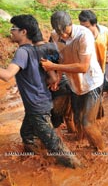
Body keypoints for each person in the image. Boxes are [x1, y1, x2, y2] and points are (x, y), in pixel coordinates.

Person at [0, 14, 80, 168]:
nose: (11, 32)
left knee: (56, 147)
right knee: (27, 135)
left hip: (37, 107)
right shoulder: (36, 50)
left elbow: (7, 75)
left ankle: (78, 170)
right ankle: (38, 161)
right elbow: (51, 78)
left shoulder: (22, 52)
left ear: (24, 32)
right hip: (41, 103)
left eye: (13, 29)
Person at [41, 11, 105, 151]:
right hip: (74, 83)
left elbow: (83, 67)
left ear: (71, 24)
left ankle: (101, 151)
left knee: (88, 123)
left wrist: (53, 66)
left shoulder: (84, 35)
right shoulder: (55, 34)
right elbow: (63, 57)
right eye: (59, 32)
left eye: (65, 31)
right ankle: (81, 143)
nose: (63, 35)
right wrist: (57, 76)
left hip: (92, 82)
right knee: (77, 120)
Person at [32, 29, 75, 132]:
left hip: (57, 87)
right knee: (68, 116)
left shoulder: (38, 51)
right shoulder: (62, 49)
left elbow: (51, 77)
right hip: (67, 85)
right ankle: (75, 138)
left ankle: (53, 145)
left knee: (53, 121)